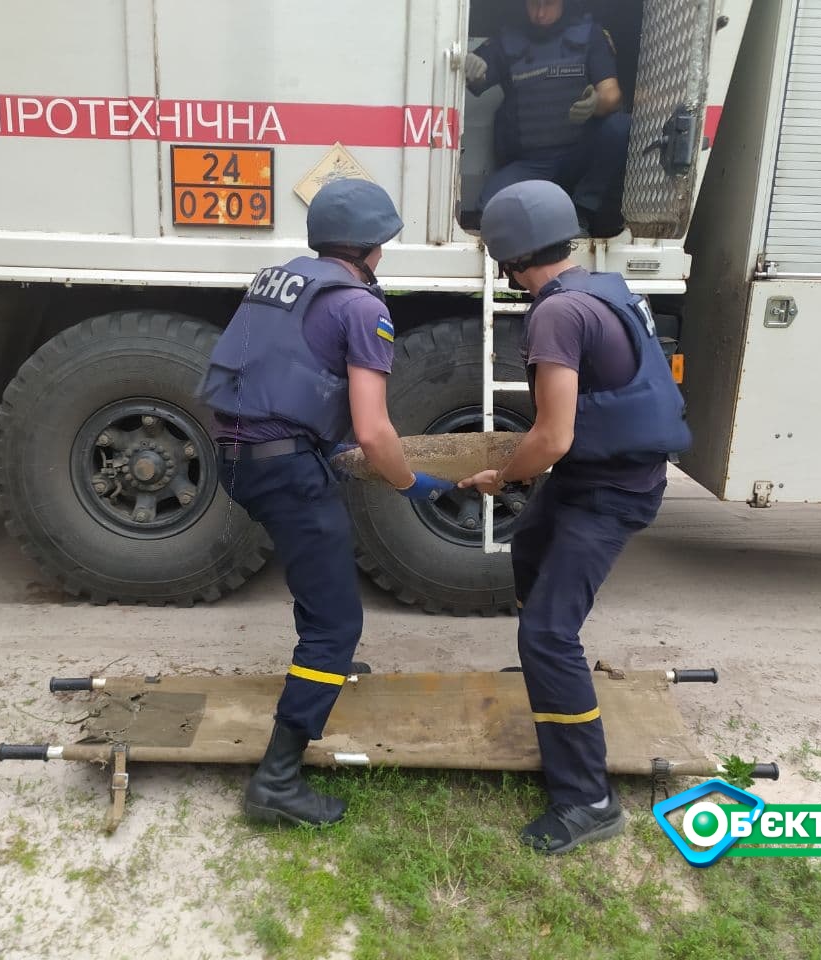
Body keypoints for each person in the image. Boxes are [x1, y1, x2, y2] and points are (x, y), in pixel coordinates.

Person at [198, 178, 456, 828]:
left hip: (232, 456)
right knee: (337, 623)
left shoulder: (279, 281)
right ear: (375, 246)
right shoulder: (360, 308)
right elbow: (373, 432)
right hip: (282, 467)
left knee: (322, 571)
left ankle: (325, 662)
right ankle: (277, 781)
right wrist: (409, 483)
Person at [457, 180, 690, 854]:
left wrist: (501, 473)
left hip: (608, 491)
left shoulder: (555, 316)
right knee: (528, 548)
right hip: (597, 475)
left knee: (548, 636)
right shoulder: (605, 287)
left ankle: (588, 800)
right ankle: (551, 684)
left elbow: (552, 438)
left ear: (506, 259)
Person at [464, 0, 630, 236]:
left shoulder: (589, 34)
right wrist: (470, 64)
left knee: (620, 126)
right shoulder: (508, 40)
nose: (540, 13)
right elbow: (478, 74)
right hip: (531, 163)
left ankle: (583, 210)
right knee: (489, 211)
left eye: (548, 4)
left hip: (578, 156)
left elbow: (611, 94)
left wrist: (596, 103)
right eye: (533, 5)